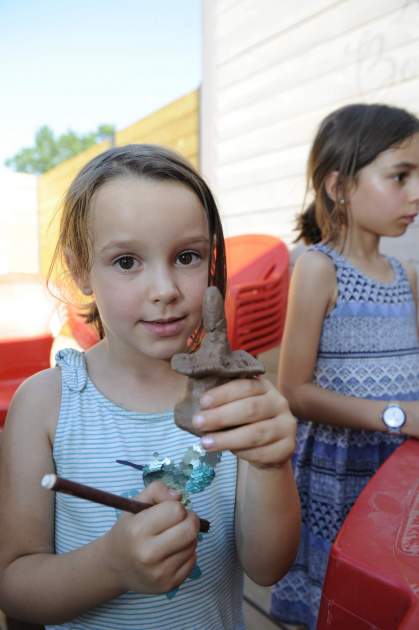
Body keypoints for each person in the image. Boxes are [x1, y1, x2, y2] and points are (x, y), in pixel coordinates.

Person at [0, 144, 300, 630]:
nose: (165, 288)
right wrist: (110, 566)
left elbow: (268, 567)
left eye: (186, 256)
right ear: (81, 271)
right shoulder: (44, 405)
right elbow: (14, 586)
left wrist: (271, 462)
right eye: (126, 262)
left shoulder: (236, 400)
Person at [270, 102, 419, 630]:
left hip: (400, 470)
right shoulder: (318, 268)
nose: (415, 193)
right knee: (340, 592)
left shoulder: (405, 275)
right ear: (338, 186)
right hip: (339, 470)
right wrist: (397, 415)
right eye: (400, 176)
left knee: (388, 585)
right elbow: (292, 391)